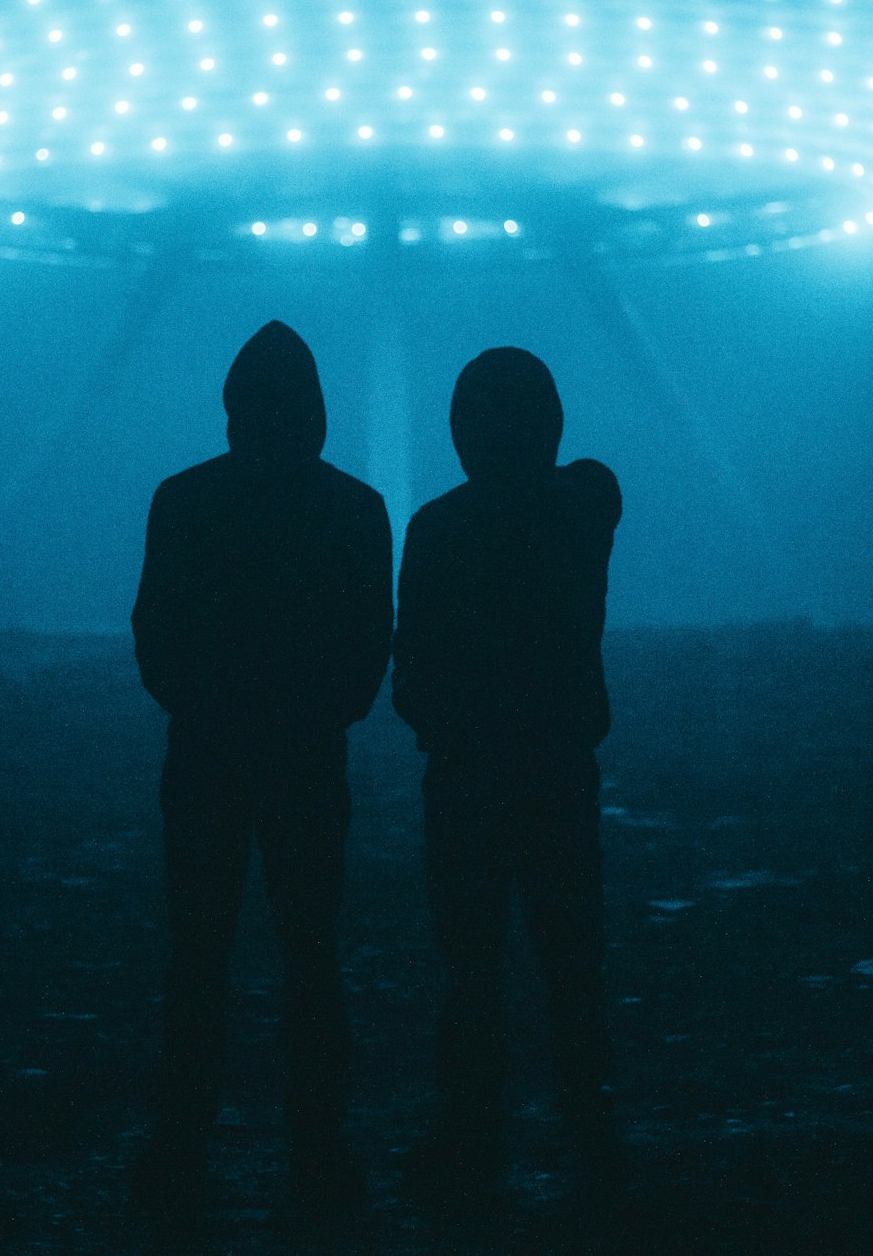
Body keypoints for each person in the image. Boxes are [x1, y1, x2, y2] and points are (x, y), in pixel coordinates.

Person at [131, 320, 393, 1213]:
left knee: (197, 952)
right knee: (311, 950)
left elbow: (154, 631)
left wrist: (201, 705)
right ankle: (318, 1145)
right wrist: (322, 710)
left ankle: (182, 1140)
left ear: (233, 408)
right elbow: (370, 643)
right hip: (308, 756)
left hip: (205, 751)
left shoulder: (184, 500)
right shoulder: (355, 508)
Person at [392, 347, 623, 1195]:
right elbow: (592, 481)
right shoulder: (582, 508)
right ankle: (591, 1128)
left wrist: (445, 728)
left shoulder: (437, 529)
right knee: (571, 955)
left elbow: (409, 665)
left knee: (470, 963)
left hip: (465, 774)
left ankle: (471, 1130)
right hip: (559, 766)